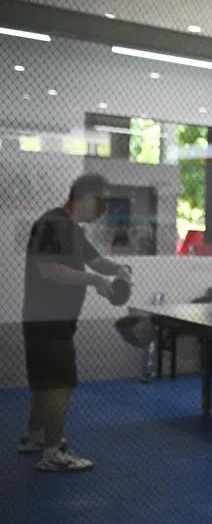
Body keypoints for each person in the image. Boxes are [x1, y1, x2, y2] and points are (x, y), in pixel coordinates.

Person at [19, 173, 133, 472]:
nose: (104, 208)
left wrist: (119, 268)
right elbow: (47, 269)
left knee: (47, 383)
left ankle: (35, 438)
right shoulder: (53, 224)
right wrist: (94, 280)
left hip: (53, 321)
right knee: (60, 384)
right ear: (84, 198)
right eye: (102, 201)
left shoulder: (72, 230)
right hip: (48, 320)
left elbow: (96, 261)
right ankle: (52, 452)